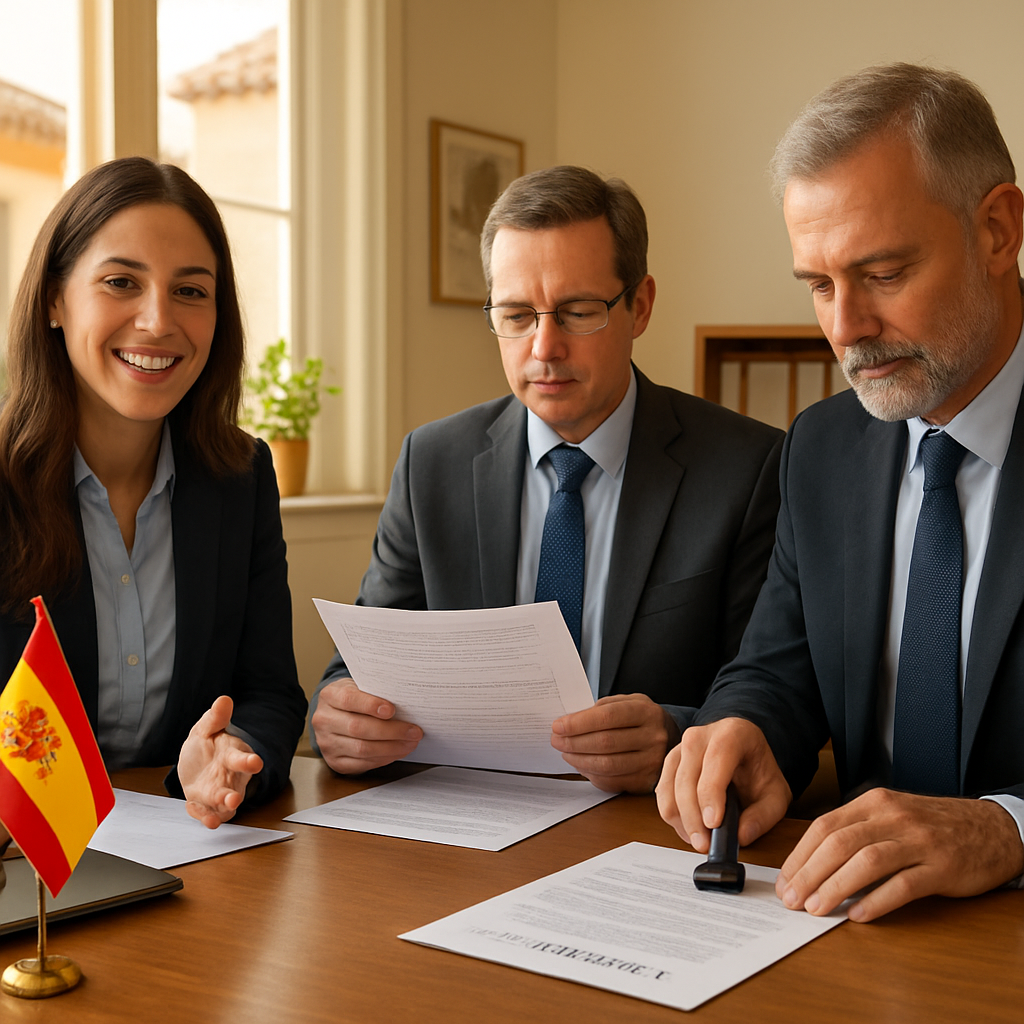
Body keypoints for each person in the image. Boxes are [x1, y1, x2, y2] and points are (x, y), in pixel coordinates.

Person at [657, 63, 1024, 921]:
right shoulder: (821, 447)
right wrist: (744, 725)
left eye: (885, 273)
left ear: (1000, 229)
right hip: (851, 928)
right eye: (819, 285)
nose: (845, 329)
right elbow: (777, 670)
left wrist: (1007, 830)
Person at [311, 165, 783, 793]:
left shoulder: (747, 467)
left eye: (578, 311)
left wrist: (676, 732)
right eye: (516, 315)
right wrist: (340, 712)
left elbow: (770, 688)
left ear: (638, 306)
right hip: (465, 815)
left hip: (648, 827)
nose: (544, 348)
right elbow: (363, 660)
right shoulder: (432, 463)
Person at [0, 157, 307, 828]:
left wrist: (232, 757)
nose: (157, 321)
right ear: (55, 298)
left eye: (191, 291)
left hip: (185, 859)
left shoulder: (241, 475)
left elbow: (270, 693)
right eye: (120, 282)